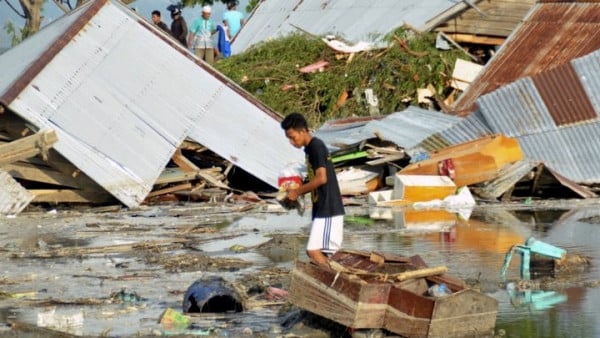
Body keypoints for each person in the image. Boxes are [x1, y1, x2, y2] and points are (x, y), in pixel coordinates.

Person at [281, 113, 345, 268]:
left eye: (292, 137)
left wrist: (297, 192)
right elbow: (314, 177)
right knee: (316, 252)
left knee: (314, 251)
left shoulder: (316, 147)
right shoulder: (309, 149)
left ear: (303, 131)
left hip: (329, 207)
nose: (291, 142)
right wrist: (297, 187)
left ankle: (334, 284)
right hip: (321, 207)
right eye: (288, 138)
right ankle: (332, 282)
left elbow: (322, 178)